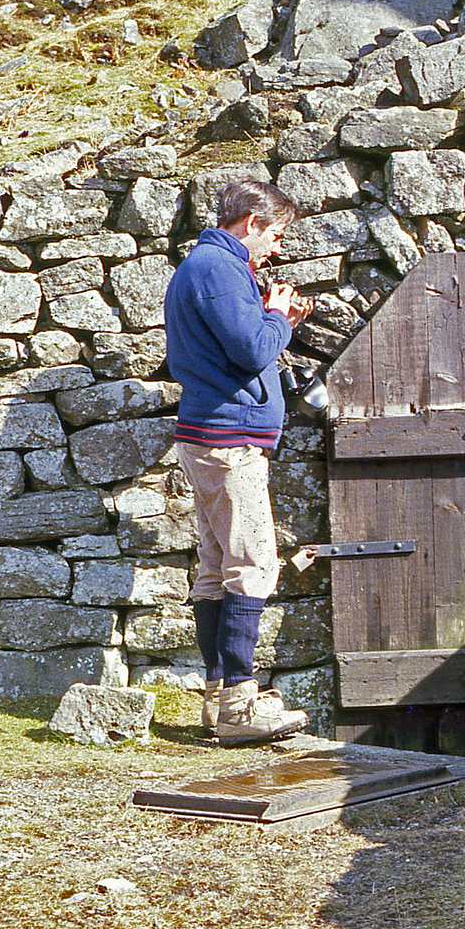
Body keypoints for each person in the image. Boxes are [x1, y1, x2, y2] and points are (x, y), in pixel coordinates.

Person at [163, 176, 314, 746]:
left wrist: (276, 319)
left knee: (217, 564)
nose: (276, 246)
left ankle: (217, 694)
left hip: (208, 434)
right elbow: (252, 349)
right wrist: (277, 315)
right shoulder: (220, 270)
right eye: (275, 233)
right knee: (252, 563)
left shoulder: (207, 268)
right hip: (229, 440)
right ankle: (240, 707)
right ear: (251, 223)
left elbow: (238, 345)